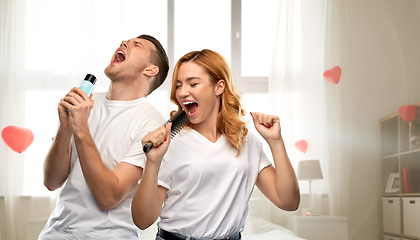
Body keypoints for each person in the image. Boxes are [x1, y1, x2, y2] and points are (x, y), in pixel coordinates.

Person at [131, 49, 300, 240]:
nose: (182, 92)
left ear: (219, 87)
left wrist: (275, 142)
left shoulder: (246, 141)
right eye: (178, 85)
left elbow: (289, 202)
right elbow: (142, 220)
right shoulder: (169, 143)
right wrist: (153, 162)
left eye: (193, 83)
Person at [39, 34, 169, 240]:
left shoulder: (152, 125)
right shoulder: (86, 104)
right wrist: (64, 129)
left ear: (150, 69)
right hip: (54, 234)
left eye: (137, 45)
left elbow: (108, 197)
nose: (124, 43)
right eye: (125, 41)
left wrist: (80, 128)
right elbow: (51, 181)